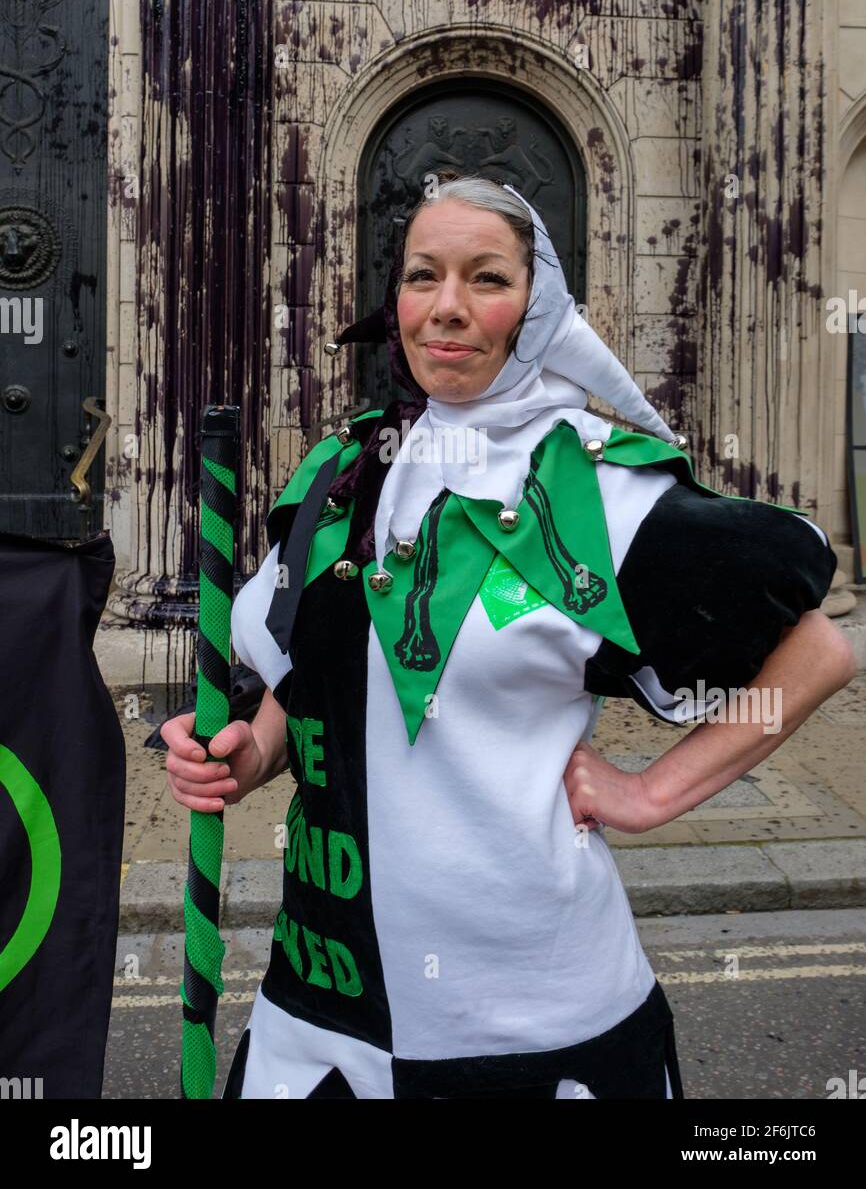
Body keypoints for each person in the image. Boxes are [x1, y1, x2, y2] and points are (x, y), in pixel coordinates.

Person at [162, 176, 853, 1100]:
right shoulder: (342, 469)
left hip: (534, 1025)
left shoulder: (598, 491)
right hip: (324, 1013)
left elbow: (820, 650)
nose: (446, 308)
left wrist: (651, 790)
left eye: (486, 279)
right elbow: (312, 673)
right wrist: (249, 754)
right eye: (421, 277)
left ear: (540, 306)